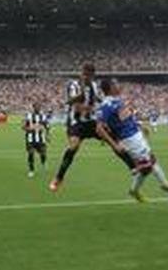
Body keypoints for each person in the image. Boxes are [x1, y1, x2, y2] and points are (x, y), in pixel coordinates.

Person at [94, 78, 168, 202]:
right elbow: (99, 129)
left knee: (147, 165)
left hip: (136, 135)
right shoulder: (106, 106)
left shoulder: (118, 101)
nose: (119, 86)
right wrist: (114, 145)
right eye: (116, 84)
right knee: (148, 163)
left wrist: (140, 126)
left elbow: (127, 119)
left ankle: (136, 190)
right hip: (129, 139)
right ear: (110, 88)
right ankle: (164, 184)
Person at [50, 63, 135, 192]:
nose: (85, 77)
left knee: (114, 140)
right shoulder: (73, 85)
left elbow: (97, 99)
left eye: (88, 75)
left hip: (91, 121)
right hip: (76, 122)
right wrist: (91, 107)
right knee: (74, 146)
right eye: (84, 74)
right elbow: (77, 107)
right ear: (81, 72)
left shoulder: (94, 85)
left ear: (92, 75)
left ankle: (133, 167)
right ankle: (58, 177)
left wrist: (106, 106)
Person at [23, 104, 50, 177]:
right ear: (33, 108)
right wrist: (28, 129)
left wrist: (47, 135)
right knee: (31, 153)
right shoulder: (28, 116)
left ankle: (43, 162)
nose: (38, 108)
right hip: (30, 139)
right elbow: (23, 127)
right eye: (36, 107)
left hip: (41, 139)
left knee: (43, 154)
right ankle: (31, 170)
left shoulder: (43, 116)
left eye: (39, 107)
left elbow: (47, 126)